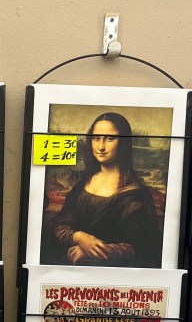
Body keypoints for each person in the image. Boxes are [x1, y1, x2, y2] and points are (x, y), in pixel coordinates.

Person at [44, 111, 162, 267]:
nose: (101, 147)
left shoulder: (136, 195)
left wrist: (94, 251)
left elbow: (141, 248)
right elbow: (60, 226)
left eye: (110, 139)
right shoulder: (83, 186)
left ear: (123, 143)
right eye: (96, 138)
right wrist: (79, 237)